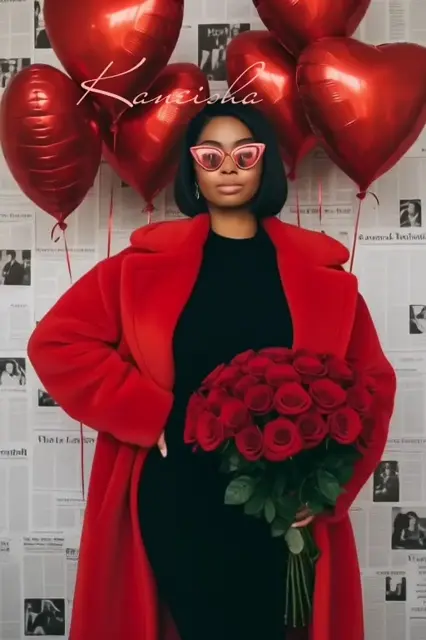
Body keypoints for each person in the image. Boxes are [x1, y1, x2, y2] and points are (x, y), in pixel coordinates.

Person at [27, 102, 396, 640]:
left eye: (245, 155)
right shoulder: (138, 269)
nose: (228, 167)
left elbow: (372, 387)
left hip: (279, 505)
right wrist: (145, 412)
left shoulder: (324, 277)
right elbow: (57, 342)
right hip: (176, 496)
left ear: (265, 164)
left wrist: (328, 490)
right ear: (192, 168)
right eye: (211, 155)